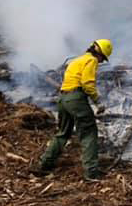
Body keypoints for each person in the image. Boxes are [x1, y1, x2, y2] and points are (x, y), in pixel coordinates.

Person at [32, 39, 113, 181]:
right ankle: (91, 173)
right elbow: (87, 83)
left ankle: (45, 164)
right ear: (98, 53)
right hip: (76, 99)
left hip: (63, 99)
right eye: (102, 58)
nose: (100, 62)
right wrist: (97, 101)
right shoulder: (91, 60)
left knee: (63, 133)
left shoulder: (76, 61)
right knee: (89, 132)